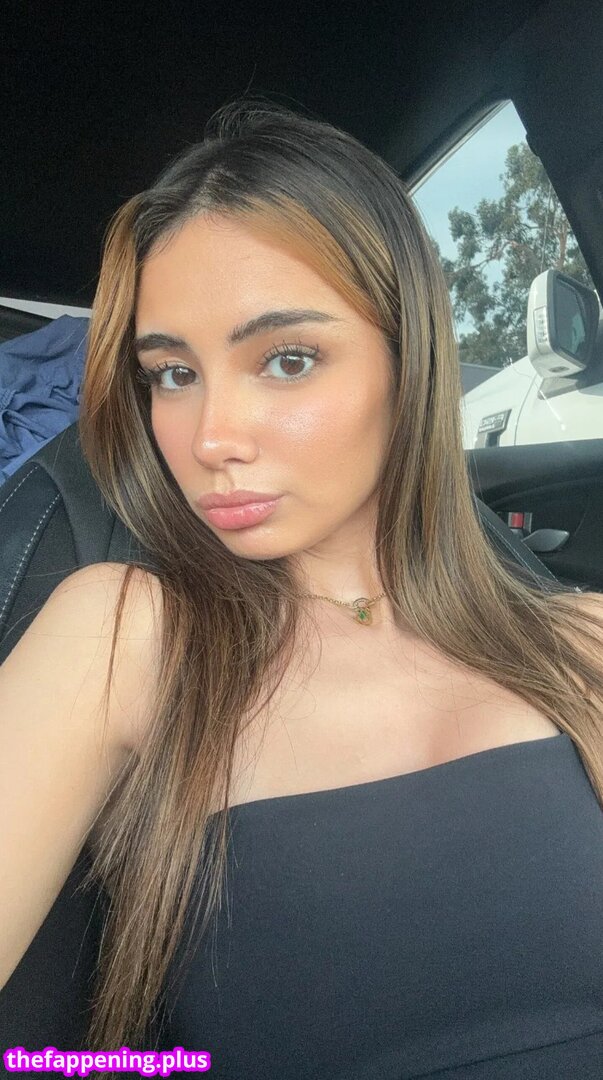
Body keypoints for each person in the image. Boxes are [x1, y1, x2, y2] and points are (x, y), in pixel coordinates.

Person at [2, 97, 603, 1079]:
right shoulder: (125, 634)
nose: (210, 438)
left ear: (408, 360)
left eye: (286, 360)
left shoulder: (580, 644)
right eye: (172, 374)